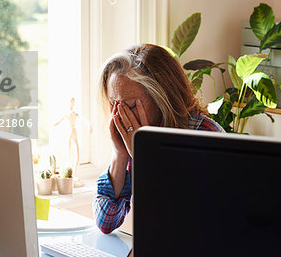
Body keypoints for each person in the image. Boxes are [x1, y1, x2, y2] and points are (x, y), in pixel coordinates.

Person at [92, 43, 224, 234]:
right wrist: (119, 155)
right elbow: (106, 222)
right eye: (114, 105)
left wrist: (145, 158)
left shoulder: (206, 137)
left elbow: (180, 224)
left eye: (129, 105)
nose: (120, 116)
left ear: (162, 99)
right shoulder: (136, 134)